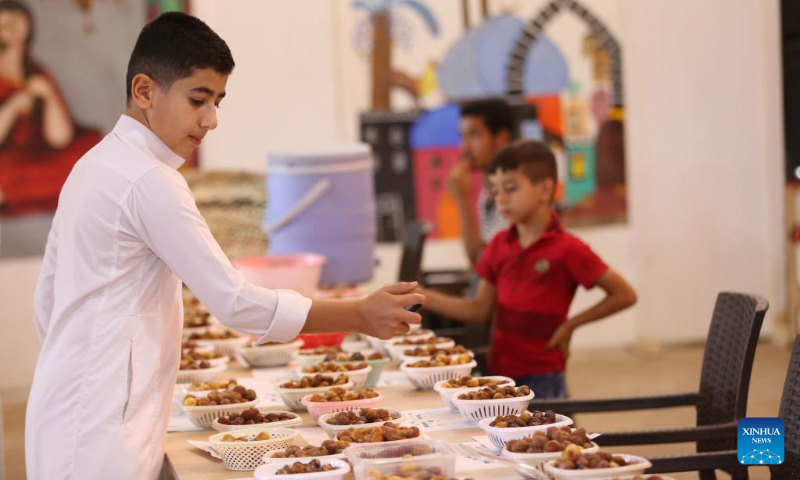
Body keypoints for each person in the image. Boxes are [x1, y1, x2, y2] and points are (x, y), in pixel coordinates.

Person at [25, 12, 424, 479]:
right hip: (100, 433)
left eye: (218, 101)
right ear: (144, 90)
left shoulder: (94, 164)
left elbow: (47, 300)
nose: (211, 120)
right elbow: (236, 303)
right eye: (199, 99)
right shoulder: (149, 180)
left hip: (67, 410)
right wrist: (357, 315)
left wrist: (92, 358)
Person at [418, 140, 636, 398]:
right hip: (502, 374)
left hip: (544, 375)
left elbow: (625, 294)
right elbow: (478, 310)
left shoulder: (568, 249)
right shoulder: (499, 244)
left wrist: (571, 325)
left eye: (510, 188)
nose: (501, 199)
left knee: (550, 434)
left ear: (545, 189)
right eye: (495, 190)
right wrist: (423, 296)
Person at [0, 0, 102, 256]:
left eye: (16, 21)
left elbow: (60, 138)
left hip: (39, 155)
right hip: (8, 159)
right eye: (3, 24)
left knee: (91, 151)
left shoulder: (36, 72)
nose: (11, 29)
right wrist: (13, 106)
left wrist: (47, 96)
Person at [448, 98, 513, 265]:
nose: (465, 148)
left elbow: (480, 261)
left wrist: (462, 199)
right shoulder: (488, 191)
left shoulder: (513, 194)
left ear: (501, 138)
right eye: (463, 137)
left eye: (474, 135)